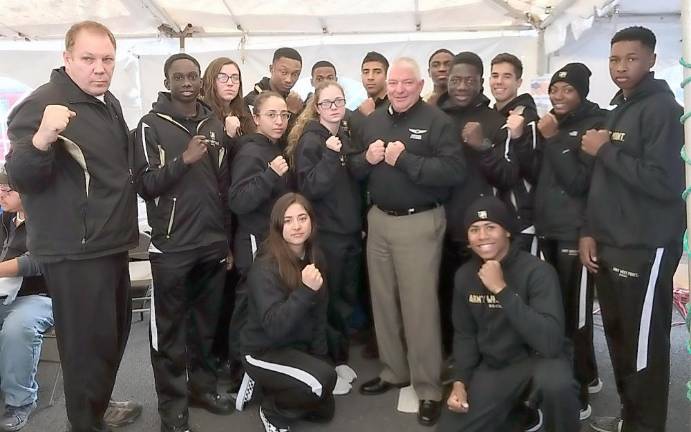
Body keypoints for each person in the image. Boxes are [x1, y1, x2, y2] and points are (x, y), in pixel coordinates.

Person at [5, 21, 138, 432]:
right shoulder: (42, 103)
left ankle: (96, 406)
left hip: (111, 243)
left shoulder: (105, 100)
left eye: (107, 59)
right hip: (76, 250)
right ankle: (85, 422)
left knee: (113, 337)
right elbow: (22, 177)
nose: (100, 68)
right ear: (66, 58)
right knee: (86, 348)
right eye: (88, 59)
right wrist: (43, 137)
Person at [579, 26, 685, 432]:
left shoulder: (662, 109)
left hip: (645, 245)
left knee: (643, 348)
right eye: (614, 59)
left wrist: (605, 149)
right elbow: (604, 182)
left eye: (631, 58)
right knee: (621, 340)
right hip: (611, 242)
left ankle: (645, 426)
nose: (620, 67)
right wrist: (590, 229)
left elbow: (665, 182)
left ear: (653, 60)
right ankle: (631, 416)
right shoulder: (620, 106)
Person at [351, 57, 465, 427]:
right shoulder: (373, 120)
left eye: (407, 83)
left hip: (419, 221)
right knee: (382, 301)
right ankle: (393, 371)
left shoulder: (437, 122)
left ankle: (429, 388)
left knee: (419, 308)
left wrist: (407, 160)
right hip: (380, 220)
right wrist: (365, 160)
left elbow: (452, 172)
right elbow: (354, 167)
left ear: (420, 85)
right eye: (394, 82)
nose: (399, 89)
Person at [134, 53, 234, 431]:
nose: (187, 82)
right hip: (172, 248)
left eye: (192, 75)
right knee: (170, 334)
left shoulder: (214, 122)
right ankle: (172, 410)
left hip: (210, 244)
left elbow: (222, 187)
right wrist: (185, 160)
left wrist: (224, 240)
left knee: (206, 327)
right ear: (168, 80)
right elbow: (144, 184)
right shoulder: (149, 125)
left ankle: (203, 389)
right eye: (179, 77)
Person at [437, 196, 580, 432]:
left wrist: (500, 289)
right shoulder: (464, 275)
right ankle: (519, 416)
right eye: (474, 229)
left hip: (540, 360)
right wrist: (460, 382)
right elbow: (465, 335)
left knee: (557, 385)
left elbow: (550, 342)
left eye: (491, 227)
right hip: (497, 366)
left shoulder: (538, 272)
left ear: (508, 232)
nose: (482, 236)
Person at [534, 62, 607, 421]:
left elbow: (580, 183)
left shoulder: (594, 125)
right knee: (558, 310)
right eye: (555, 89)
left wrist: (553, 140)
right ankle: (589, 374)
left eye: (567, 90)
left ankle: (577, 395)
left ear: (582, 93)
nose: (558, 96)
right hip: (548, 230)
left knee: (574, 317)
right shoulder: (554, 122)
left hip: (575, 234)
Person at [435, 51, 518, 356]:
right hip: (438, 224)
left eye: (469, 80)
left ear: (480, 82)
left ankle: (486, 357)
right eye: (455, 79)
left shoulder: (495, 121)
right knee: (443, 295)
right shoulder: (435, 116)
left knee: (482, 296)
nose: (461, 86)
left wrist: (482, 146)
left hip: (479, 231)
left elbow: (509, 176)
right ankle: (451, 356)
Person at [240, 192, 336, 432]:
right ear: (277, 225)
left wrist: (320, 358)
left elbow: (319, 315)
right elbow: (274, 328)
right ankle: (271, 411)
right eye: (289, 220)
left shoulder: (314, 255)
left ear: (311, 221)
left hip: (294, 345)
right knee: (321, 381)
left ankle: (274, 384)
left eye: (302, 218)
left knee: (325, 408)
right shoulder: (264, 267)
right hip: (263, 349)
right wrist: (305, 290)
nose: (296, 226)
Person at [287, 81, 362, 381]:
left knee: (345, 296)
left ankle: (339, 356)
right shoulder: (312, 141)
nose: (334, 107)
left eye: (339, 101)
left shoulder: (343, 135)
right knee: (327, 300)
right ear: (317, 107)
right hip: (329, 233)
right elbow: (310, 187)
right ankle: (327, 363)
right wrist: (331, 156)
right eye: (328, 102)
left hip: (350, 231)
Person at [228, 92, 293, 409]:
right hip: (254, 243)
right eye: (272, 115)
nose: (279, 121)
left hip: (269, 244)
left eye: (283, 115)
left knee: (261, 308)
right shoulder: (253, 152)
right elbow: (238, 200)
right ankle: (239, 374)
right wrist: (270, 175)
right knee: (248, 309)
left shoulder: (273, 147)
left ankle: (253, 371)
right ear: (256, 118)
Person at [0, 177, 53, 432]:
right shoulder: (8, 219)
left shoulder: (47, 219)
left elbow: (36, 262)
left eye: (6, 190)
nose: (1, 195)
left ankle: (20, 402)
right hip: (7, 293)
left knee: (17, 328)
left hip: (41, 297)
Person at [489, 53, 540, 254]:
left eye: (506, 76)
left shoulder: (528, 118)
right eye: (495, 75)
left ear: (518, 81)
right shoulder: (489, 115)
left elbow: (535, 171)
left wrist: (518, 138)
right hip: (492, 217)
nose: (499, 82)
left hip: (519, 221)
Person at [201, 56, 256, 157]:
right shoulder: (202, 115)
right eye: (223, 77)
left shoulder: (245, 114)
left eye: (235, 78)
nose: (230, 83)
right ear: (211, 81)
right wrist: (228, 136)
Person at [244, 47, 304, 118]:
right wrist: (290, 112)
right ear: (271, 69)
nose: (289, 80)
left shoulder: (294, 101)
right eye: (284, 72)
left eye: (295, 74)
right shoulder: (252, 101)